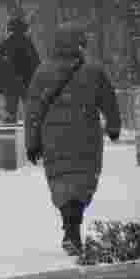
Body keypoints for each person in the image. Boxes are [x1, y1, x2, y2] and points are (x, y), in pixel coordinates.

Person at [25, 24, 121, 256]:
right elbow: (108, 100)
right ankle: (73, 226)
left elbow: (33, 110)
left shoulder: (43, 72)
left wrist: (32, 142)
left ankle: (69, 226)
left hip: (53, 137)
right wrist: (113, 125)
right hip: (85, 135)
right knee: (83, 180)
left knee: (61, 180)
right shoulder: (93, 70)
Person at [0, 15, 41, 123]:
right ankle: (30, 133)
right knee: (30, 112)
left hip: (10, 85)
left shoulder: (3, 44)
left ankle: (9, 133)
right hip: (26, 83)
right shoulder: (27, 43)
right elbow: (36, 63)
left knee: (10, 113)